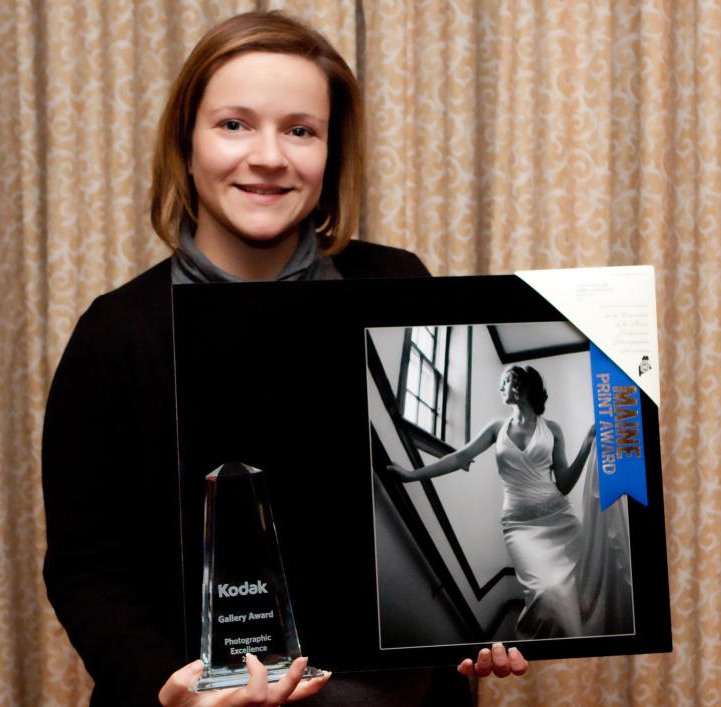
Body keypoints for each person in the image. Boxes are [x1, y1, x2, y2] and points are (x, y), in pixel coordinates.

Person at [41, 11, 526, 707]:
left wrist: (489, 615)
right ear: (186, 140)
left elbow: (454, 494)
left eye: (300, 129)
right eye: (234, 124)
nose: (269, 155)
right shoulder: (116, 334)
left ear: (330, 152)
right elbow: (88, 567)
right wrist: (161, 686)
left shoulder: (397, 285)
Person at [389, 365, 595, 639]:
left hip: (560, 521)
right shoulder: (497, 428)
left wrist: (586, 445)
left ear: (519, 385)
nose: (500, 389)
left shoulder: (552, 429)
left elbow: (565, 483)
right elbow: (458, 458)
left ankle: (572, 659)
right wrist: (412, 475)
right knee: (546, 594)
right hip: (520, 527)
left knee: (576, 594)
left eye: (504, 383)